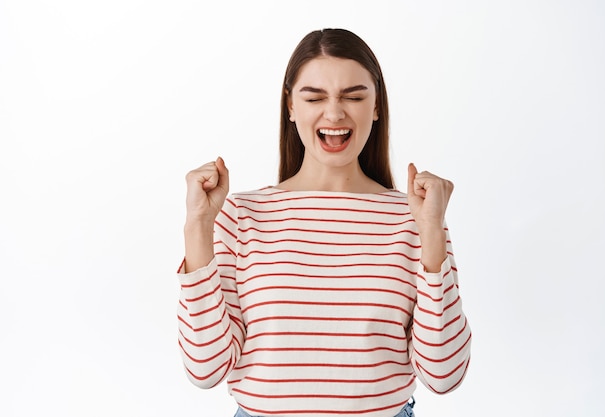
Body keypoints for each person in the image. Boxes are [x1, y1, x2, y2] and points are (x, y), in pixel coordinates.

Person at [177, 28, 472, 417]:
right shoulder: (240, 215)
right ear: (291, 107)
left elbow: (443, 374)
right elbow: (205, 369)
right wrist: (197, 225)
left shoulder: (416, 218)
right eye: (315, 97)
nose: (334, 113)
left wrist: (431, 231)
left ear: (377, 106)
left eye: (353, 96)